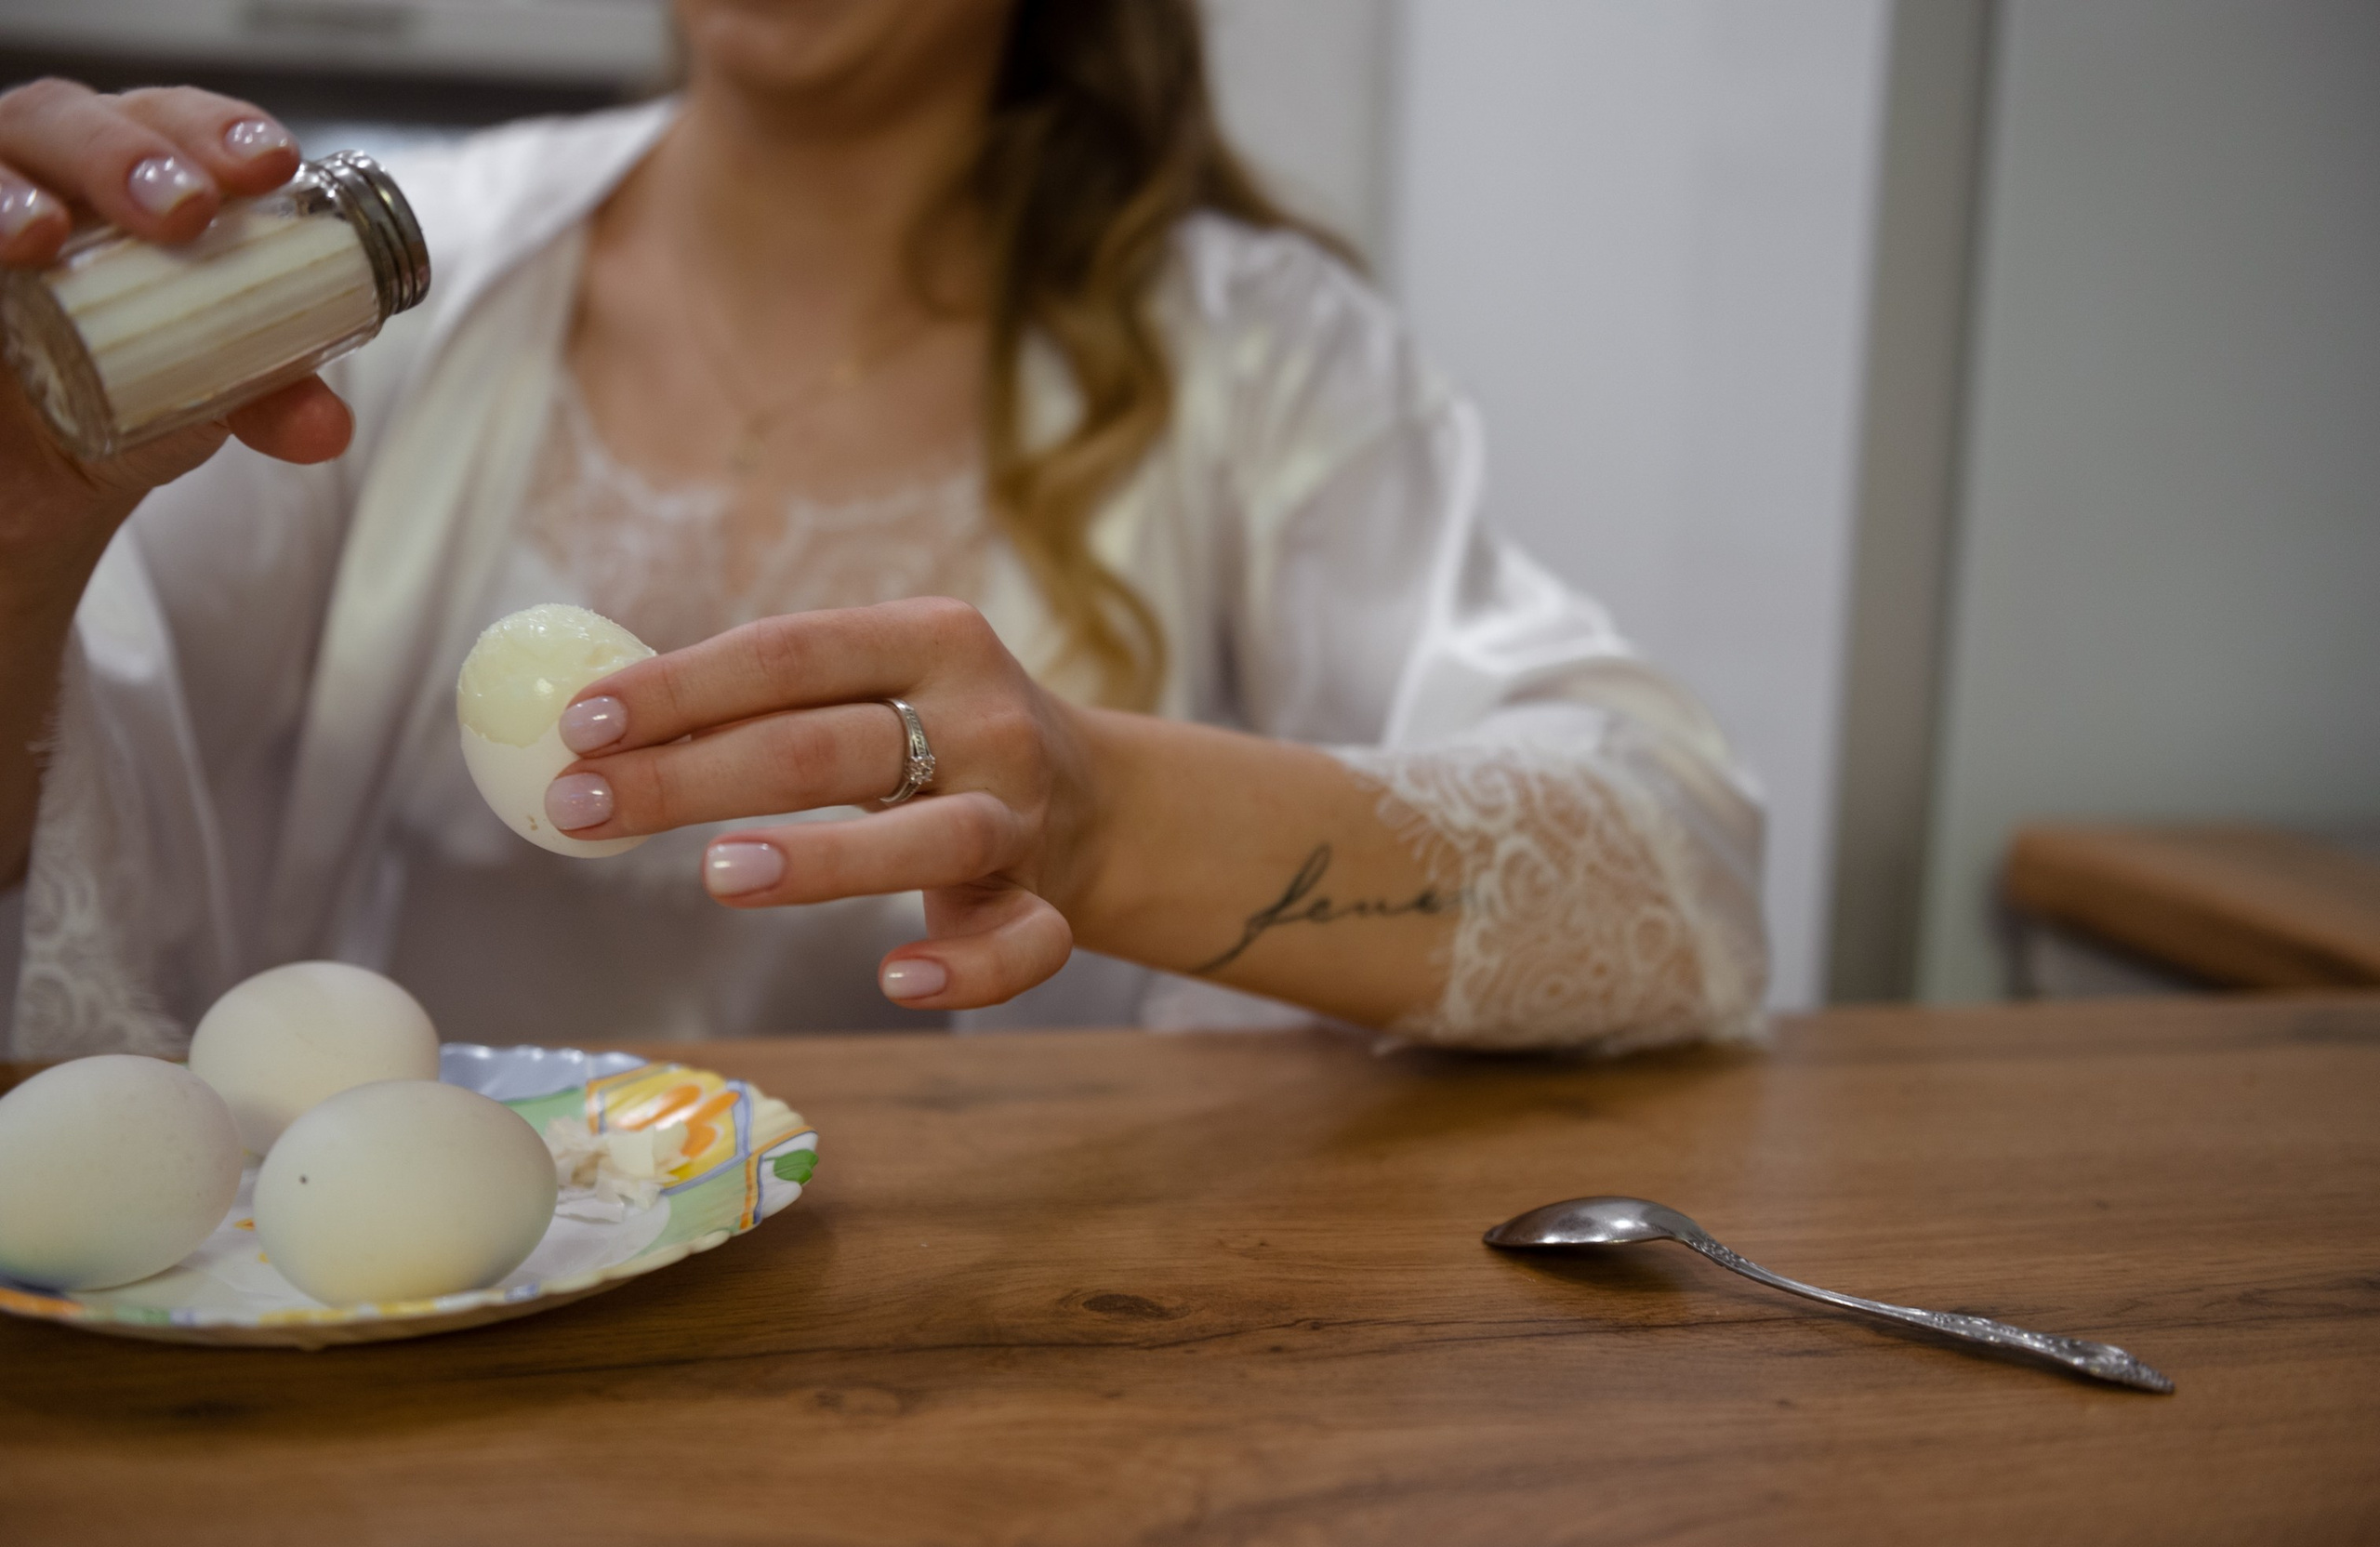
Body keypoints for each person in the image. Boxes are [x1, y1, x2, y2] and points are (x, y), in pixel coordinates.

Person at [0, 0, 1765, 1057]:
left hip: (1030, 1384)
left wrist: (1109, 809)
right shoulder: (363, 298)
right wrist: (18, 540)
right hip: (447, 1393)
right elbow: (75, 930)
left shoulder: (1264, 360)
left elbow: (1678, 880)